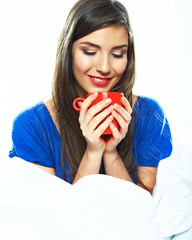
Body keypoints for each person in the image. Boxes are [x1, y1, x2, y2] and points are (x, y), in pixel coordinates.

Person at [9, 0, 172, 194]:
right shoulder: (32, 125)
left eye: (118, 54)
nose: (104, 67)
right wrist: (93, 152)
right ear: (68, 51)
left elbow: (144, 207)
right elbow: (53, 217)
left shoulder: (148, 114)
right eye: (90, 52)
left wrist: (111, 153)